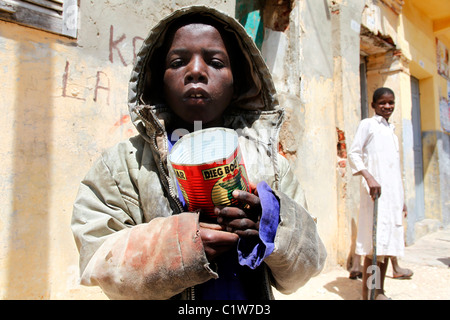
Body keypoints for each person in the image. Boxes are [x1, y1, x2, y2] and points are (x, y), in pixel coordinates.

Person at [71, 6, 326, 300]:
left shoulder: (271, 165)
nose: (195, 71)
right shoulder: (121, 166)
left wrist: (271, 226)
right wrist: (178, 248)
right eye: (178, 61)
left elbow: (307, 267)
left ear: (237, 82)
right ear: (158, 79)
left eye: (216, 62)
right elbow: (97, 257)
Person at [348, 87, 409, 300]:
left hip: (391, 197)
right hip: (374, 195)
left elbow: (394, 168)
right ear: (374, 105)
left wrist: (401, 200)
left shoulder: (392, 131)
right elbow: (354, 153)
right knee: (373, 246)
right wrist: (369, 176)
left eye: (391, 102)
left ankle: (380, 291)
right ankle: (370, 293)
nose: (387, 106)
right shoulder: (368, 125)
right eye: (382, 103)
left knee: (386, 245)